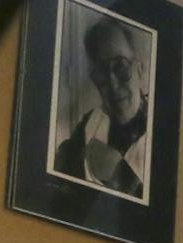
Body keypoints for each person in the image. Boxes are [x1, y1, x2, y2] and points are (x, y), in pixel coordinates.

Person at [53, 13, 152, 197]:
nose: (112, 83)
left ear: (139, 68)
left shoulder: (164, 133)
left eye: (120, 66)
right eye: (101, 72)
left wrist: (119, 176)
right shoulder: (89, 124)